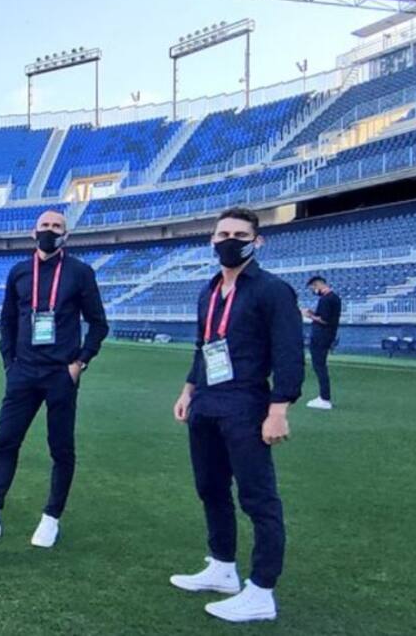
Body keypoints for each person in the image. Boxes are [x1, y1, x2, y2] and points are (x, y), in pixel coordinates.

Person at [169, 207, 303, 623]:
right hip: (206, 403)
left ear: (256, 241)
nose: (230, 239)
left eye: (239, 233)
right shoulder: (208, 291)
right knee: (210, 488)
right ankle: (222, 566)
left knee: (258, 497)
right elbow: (202, 346)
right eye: (222, 233)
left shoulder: (272, 290)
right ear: (212, 240)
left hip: (246, 404)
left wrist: (279, 409)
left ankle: (262, 590)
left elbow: (288, 353)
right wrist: (188, 390)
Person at [0, 210, 108, 548]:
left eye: (57, 227)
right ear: (33, 233)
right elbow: (7, 320)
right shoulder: (19, 272)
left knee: (60, 448)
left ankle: (51, 518)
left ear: (67, 235)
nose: (50, 231)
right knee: (5, 441)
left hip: (61, 374)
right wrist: (9, 363)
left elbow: (98, 323)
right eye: (45, 226)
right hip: (23, 373)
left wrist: (80, 362)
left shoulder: (80, 272)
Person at [303, 276, 341, 410]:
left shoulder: (327, 299)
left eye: (313, 287)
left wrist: (309, 316)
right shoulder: (333, 298)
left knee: (319, 366)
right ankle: (324, 397)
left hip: (321, 337)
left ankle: (325, 398)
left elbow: (324, 320)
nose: (314, 290)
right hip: (326, 336)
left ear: (318, 284)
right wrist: (313, 313)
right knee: (320, 366)